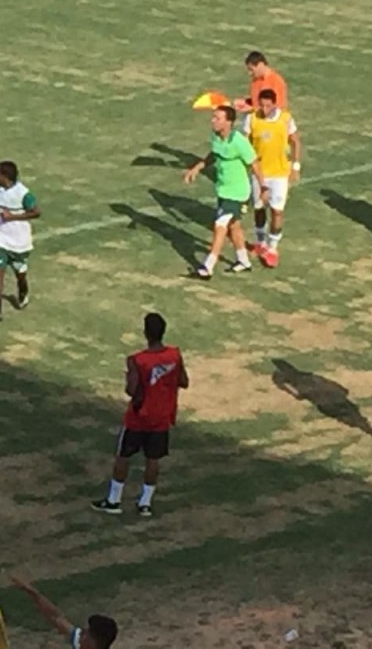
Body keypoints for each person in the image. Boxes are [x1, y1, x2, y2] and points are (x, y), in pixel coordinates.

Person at [92, 313, 188, 517]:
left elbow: (131, 390)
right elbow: (184, 381)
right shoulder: (175, 355)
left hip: (138, 418)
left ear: (146, 333)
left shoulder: (137, 360)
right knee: (153, 459)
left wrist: (131, 376)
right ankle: (145, 503)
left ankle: (114, 500)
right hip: (162, 417)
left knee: (123, 456)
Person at [183, 105, 269, 279]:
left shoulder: (239, 141)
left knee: (220, 225)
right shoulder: (216, 137)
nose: (213, 121)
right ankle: (243, 261)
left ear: (228, 122)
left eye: (217, 118)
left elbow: (255, 164)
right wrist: (197, 168)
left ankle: (208, 266)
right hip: (223, 190)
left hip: (238, 193)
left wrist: (263, 188)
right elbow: (214, 155)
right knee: (234, 227)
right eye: (213, 117)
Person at [243, 88, 302, 268]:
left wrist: (295, 166)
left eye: (268, 105)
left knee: (277, 211)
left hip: (279, 174)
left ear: (275, 104)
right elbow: (245, 142)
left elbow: (295, 141)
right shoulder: (252, 119)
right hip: (259, 173)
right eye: (262, 105)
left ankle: (273, 247)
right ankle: (261, 242)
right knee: (259, 209)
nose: (264, 109)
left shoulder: (286, 118)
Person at [0, 161, 40, 324]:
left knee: (20, 273)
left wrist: (13, 217)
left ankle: (23, 291)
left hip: (19, 242)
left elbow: (36, 212)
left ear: (5, 177)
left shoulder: (23, 194)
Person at [10, 575, 117, 649]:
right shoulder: (81, 644)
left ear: (93, 644)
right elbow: (56, 617)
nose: (82, 632)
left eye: (87, 633)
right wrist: (32, 592)